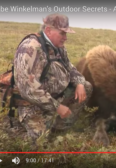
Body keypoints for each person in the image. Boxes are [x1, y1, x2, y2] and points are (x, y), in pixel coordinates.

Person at [13, 13, 92, 147]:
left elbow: (70, 67)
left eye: (66, 34)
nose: (65, 38)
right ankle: (15, 129)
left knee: (87, 86)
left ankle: (59, 128)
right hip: (33, 104)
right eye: (62, 33)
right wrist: (57, 107)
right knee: (38, 143)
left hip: (54, 97)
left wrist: (79, 83)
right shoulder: (30, 48)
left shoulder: (58, 47)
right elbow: (27, 90)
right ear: (48, 30)